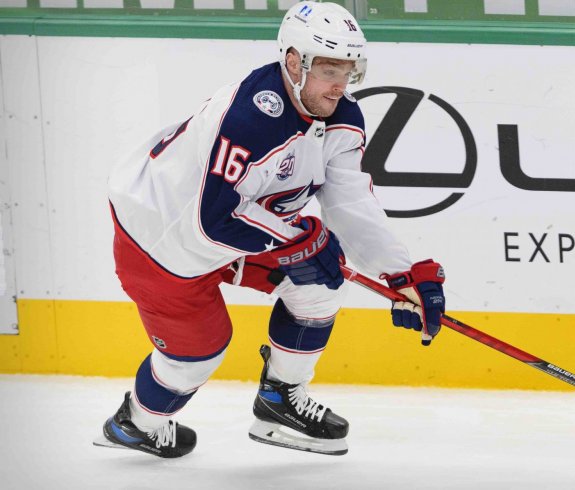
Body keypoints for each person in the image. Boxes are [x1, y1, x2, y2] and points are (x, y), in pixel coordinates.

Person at [97, 0, 445, 458]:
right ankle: (135, 424)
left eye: (349, 71)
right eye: (328, 70)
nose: (340, 86)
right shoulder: (248, 120)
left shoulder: (340, 115)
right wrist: (299, 240)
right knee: (197, 356)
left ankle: (279, 401)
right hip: (163, 240)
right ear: (294, 61)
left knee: (323, 282)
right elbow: (211, 220)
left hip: (240, 226)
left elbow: (350, 201)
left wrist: (400, 273)